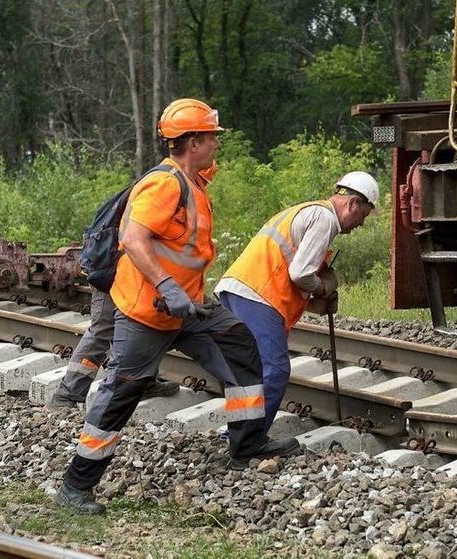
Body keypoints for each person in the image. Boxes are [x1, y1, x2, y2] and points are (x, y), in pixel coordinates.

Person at [56, 99, 298, 514]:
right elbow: (133, 239)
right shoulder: (164, 184)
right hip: (148, 312)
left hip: (189, 308)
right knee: (121, 394)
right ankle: (76, 484)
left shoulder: (193, 181)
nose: (217, 145)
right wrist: (168, 287)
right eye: (211, 139)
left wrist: (184, 294)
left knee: (240, 345)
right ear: (191, 142)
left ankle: (247, 442)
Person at [215, 171, 379, 433]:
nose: (361, 224)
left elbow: (289, 276)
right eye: (364, 215)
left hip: (236, 290)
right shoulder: (324, 218)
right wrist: (322, 287)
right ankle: (250, 440)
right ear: (353, 204)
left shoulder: (306, 211)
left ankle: (236, 433)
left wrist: (316, 303)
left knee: (250, 373)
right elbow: (300, 273)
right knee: (275, 370)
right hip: (257, 295)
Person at [48, 163, 219, 409]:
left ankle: (145, 382)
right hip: (116, 270)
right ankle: (66, 396)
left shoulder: (181, 186)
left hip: (131, 271)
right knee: (103, 330)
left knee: (148, 323)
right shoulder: (167, 186)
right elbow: (136, 239)